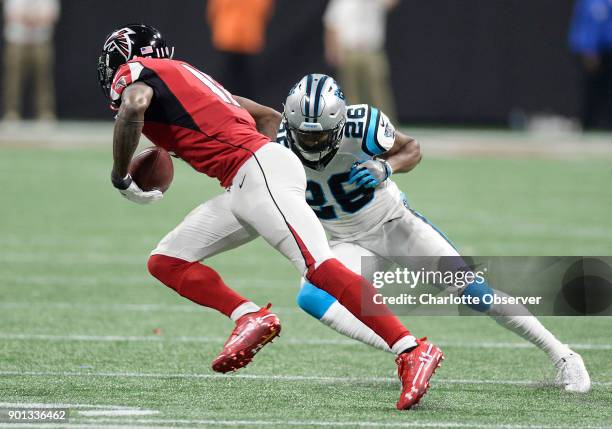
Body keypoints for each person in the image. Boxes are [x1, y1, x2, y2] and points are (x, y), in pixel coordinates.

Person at [97, 24, 443, 410]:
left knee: (319, 267)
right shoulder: (186, 79)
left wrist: (120, 174)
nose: (113, 74)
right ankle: (248, 316)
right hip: (247, 180)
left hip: (255, 171)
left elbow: (133, 106)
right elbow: (268, 117)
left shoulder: (140, 74)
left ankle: (412, 348)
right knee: (166, 261)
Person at [277, 73, 591, 394]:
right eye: (304, 135)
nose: (311, 143)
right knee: (311, 296)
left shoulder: (363, 125)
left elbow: (412, 148)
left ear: (341, 123)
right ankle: (410, 351)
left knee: (475, 293)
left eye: (320, 136)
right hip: (345, 241)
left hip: (393, 225)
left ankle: (564, 355)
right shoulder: (275, 144)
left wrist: (387, 167)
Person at [323, 0, 397, 122]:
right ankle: (353, 128)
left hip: (371, 51)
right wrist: (332, 50)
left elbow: (391, 3)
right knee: (351, 93)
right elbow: (331, 24)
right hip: (349, 51)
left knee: (377, 93)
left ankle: (386, 127)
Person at [2, 0, 60, 122]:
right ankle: (11, 112)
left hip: (41, 40)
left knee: (43, 78)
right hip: (16, 39)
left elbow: (52, 14)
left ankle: (45, 112)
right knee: (13, 78)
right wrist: (27, 20)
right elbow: (9, 14)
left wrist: (34, 20)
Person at [206, 0, 274, 99]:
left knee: (230, 77)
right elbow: (265, 11)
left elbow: (213, 10)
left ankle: (222, 101)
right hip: (246, 36)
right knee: (243, 79)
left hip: (230, 36)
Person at [569, 0, 612, 129]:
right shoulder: (589, 2)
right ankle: (588, 124)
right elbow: (584, 23)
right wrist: (588, 47)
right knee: (592, 90)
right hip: (596, 52)